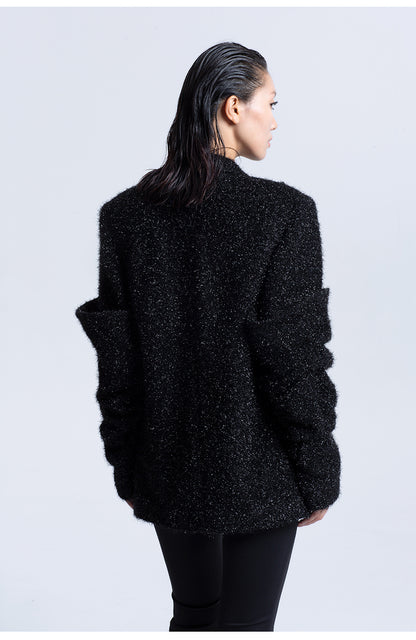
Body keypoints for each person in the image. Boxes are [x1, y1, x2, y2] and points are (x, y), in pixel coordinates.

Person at [75, 41, 342, 632]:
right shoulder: (284, 213)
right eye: (271, 103)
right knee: (247, 626)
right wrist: (319, 470)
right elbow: (293, 361)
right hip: (263, 470)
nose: (275, 120)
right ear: (232, 107)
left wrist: (127, 463)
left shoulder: (124, 216)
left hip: (167, 464)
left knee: (193, 618)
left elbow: (118, 364)